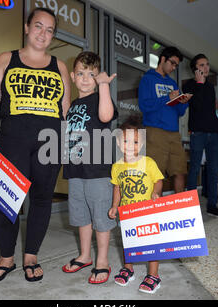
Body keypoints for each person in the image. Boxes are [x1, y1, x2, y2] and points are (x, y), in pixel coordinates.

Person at [0, 8, 71, 283]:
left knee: (41, 199)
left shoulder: (60, 66)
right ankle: (6, 258)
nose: (43, 34)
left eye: (49, 30)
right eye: (38, 26)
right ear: (27, 28)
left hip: (50, 143)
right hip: (14, 139)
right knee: (6, 200)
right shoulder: (6, 59)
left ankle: (31, 256)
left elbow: (65, 110)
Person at [61, 51, 118, 284]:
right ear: (73, 76)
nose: (86, 78)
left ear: (98, 78)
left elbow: (106, 116)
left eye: (92, 74)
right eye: (81, 73)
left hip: (98, 170)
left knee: (100, 217)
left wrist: (104, 86)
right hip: (76, 170)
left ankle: (102, 260)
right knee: (81, 215)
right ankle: (84, 255)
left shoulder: (99, 98)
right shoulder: (74, 104)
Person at [108, 115, 164, 294]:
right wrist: (115, 206)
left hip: (147, 211)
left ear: (141, 144)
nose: (130, 146)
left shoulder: (148, 162)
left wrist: (156, 192)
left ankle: (153, 275)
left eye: (135, 142)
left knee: (151, 243)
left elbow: (158, 180)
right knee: (128, 242)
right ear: (118, 142)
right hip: (127, 212)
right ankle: (128, 268)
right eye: (126, 141)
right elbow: (117, 187)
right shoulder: (117, 166)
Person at [138, 46, 191, 194]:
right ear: (163, 59)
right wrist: (166, 98)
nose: (174, 67)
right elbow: (144, 106)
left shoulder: (173, 84)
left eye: (176, 65)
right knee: (156, 175)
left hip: (174, 133)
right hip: (155, 132)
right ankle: (155, 213)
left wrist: (183, 102)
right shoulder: (147, 79)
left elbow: (180, 112)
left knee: (180, 171)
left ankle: (180, 209)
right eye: (172, 63)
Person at [183, 54, 218, 218]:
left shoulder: (210, 86)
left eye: (207, 64)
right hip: (198, 133)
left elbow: (209, 109)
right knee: (194, 168)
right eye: (202, 65)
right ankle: (190, 208)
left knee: (214, 169)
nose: (206, 68)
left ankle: (212, 205)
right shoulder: (189, 86)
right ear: (195, 68)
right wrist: (199, 84)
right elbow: (197, 106)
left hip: (213, 133)